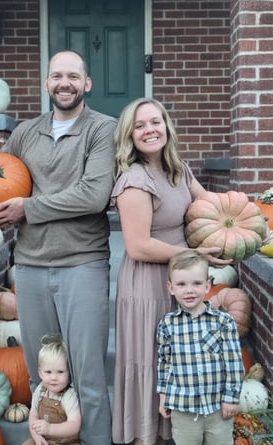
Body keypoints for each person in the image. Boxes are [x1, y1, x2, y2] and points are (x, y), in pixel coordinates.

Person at [0, 50, 116, 445]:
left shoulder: (103, 130)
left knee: (88, 374)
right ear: (47, 83)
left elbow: (92, 195)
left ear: (87, 84)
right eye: (57, 76)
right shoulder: (25, 133)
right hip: (30, 266)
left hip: (83, 263)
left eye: (73, 76)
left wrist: (28, 208)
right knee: (40, 374)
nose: (65, 83)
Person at [110, 97, 231, 445]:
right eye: (140, 125)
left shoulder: (179, 169)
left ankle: (176, 434)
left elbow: (209, 207)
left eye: (155, 122)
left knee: (180, 357)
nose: (150, 130)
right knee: (151, 360)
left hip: (181, 279)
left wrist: (243, 225)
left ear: (166, 126)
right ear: (129, 136)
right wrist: (194, 252)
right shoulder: (135, 179)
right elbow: (137, 246)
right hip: (148, 283)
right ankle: (145, 437)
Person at [157, 249, 245, 445]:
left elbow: (234, 364)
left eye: (196, 283)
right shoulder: (167, 325)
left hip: (217, 408)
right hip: (183, 408)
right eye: (181, 284)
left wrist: (231, 398)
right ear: (171, 288)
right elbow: (164, 364)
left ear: (207, 285)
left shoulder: (223, 321)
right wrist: (163, 396)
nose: (189, 290)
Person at [23, 334, 81, 445]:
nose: (54, 378)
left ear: (69, 372)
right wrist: (36, 437)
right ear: (40, 372)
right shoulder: (40, 390)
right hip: (45, 440)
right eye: (48, 372)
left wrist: (50, 429)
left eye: (60, 372)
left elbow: (74, 424)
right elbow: (33, 416)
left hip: (67, 442)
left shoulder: (69, 395)